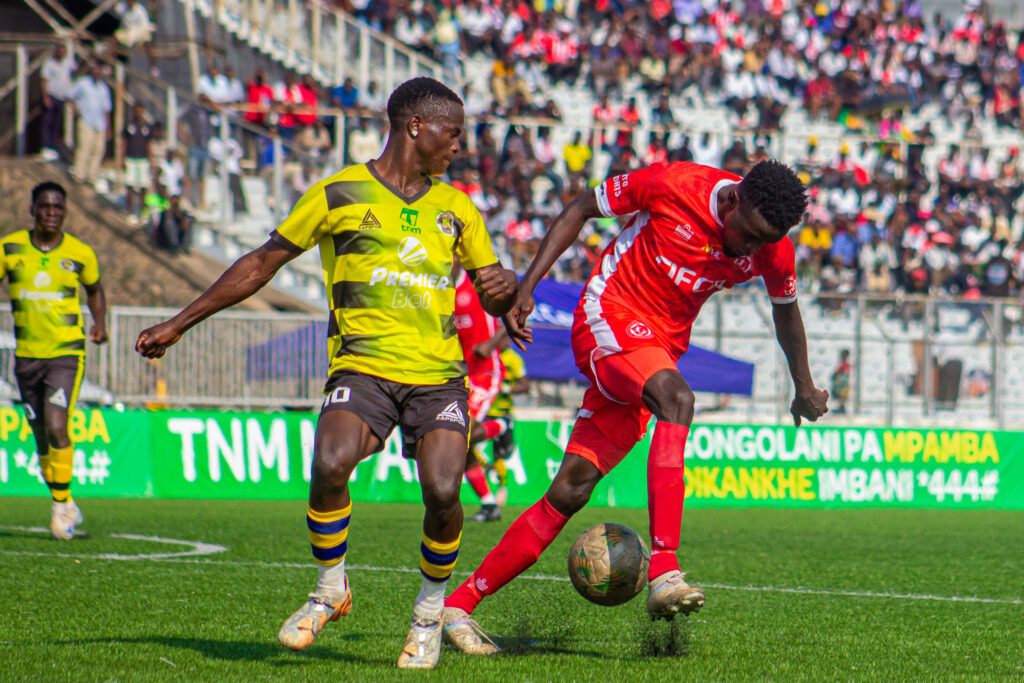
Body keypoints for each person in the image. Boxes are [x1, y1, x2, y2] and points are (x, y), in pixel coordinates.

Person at [134, 77, 518, 670]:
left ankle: (427, 615)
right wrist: (180, 322)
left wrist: (505, 289)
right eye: (454, 133)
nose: (460, 146)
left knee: (445, 491)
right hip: (361, 367)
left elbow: (491, 293)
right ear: (416, 126)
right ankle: (330, 590)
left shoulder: (458, 207)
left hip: (438, 375)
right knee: (330, 462)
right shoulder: (338, 193)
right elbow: (261, 263)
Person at [442, 159, 829, 654]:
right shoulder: (674, 186)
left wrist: (803, 385)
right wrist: (528, 288)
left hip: (652, 356)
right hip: (607, 316)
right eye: (748, 234)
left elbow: (786, 312)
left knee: (570, 490)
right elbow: (581, 207)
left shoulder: (773, 248)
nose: (751, 249)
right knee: (678, 399)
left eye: (763, 241)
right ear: (733, 200)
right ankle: (665, 568)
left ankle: (458, 605)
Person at [0, 182, 108, 540]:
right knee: (40, 433)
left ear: (65, 212)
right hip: (26, 356)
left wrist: (100, 324)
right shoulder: (9, 247)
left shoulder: (80, 252)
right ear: (32, 209)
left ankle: (60, 509)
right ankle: (65, 500)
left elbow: (95, 289)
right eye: (45, 206)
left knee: (56, 423)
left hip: (65, 353)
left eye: (58, 207)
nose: (51, 212)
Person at [453, 263, 506, 523]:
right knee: (458, 441)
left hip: (484, 371)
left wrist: (491, 343)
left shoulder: (477, 285)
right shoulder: (439, 289)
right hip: (458, 373)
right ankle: (489, 504)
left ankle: (503, 425)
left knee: (462, 432)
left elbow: (516, 312)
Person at [69, 62, 112, 186]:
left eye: (98, 71)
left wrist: (108, 128)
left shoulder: (103, 88)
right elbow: (70, 96)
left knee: (98, 150)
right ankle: (79, 174)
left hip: (100, 124)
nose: (96, 73)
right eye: (95, 70)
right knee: (84, 147)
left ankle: (91, 176)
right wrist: (76, 110)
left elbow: (106, 109)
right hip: (86, 121)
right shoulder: (83, 83)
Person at [40, 42, 76, 161]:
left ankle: (54, 148)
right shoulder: (49, 63)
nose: (61, 53)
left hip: (62, 98)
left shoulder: (68, 63)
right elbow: (44, 80)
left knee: (58, 123)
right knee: (48, 122)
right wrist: (45, 97)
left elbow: (74, 71)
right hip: (52, 96)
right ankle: (46, 147)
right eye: (60, 51)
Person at [830, 349, 852, 414]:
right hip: (840, 382)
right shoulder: (843, 364)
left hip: (841, 382)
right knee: (839, 395)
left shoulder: (845, 364)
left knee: (841, 394)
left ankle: (842, 408)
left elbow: (843, 373)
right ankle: (841, 408)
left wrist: (836, 375)